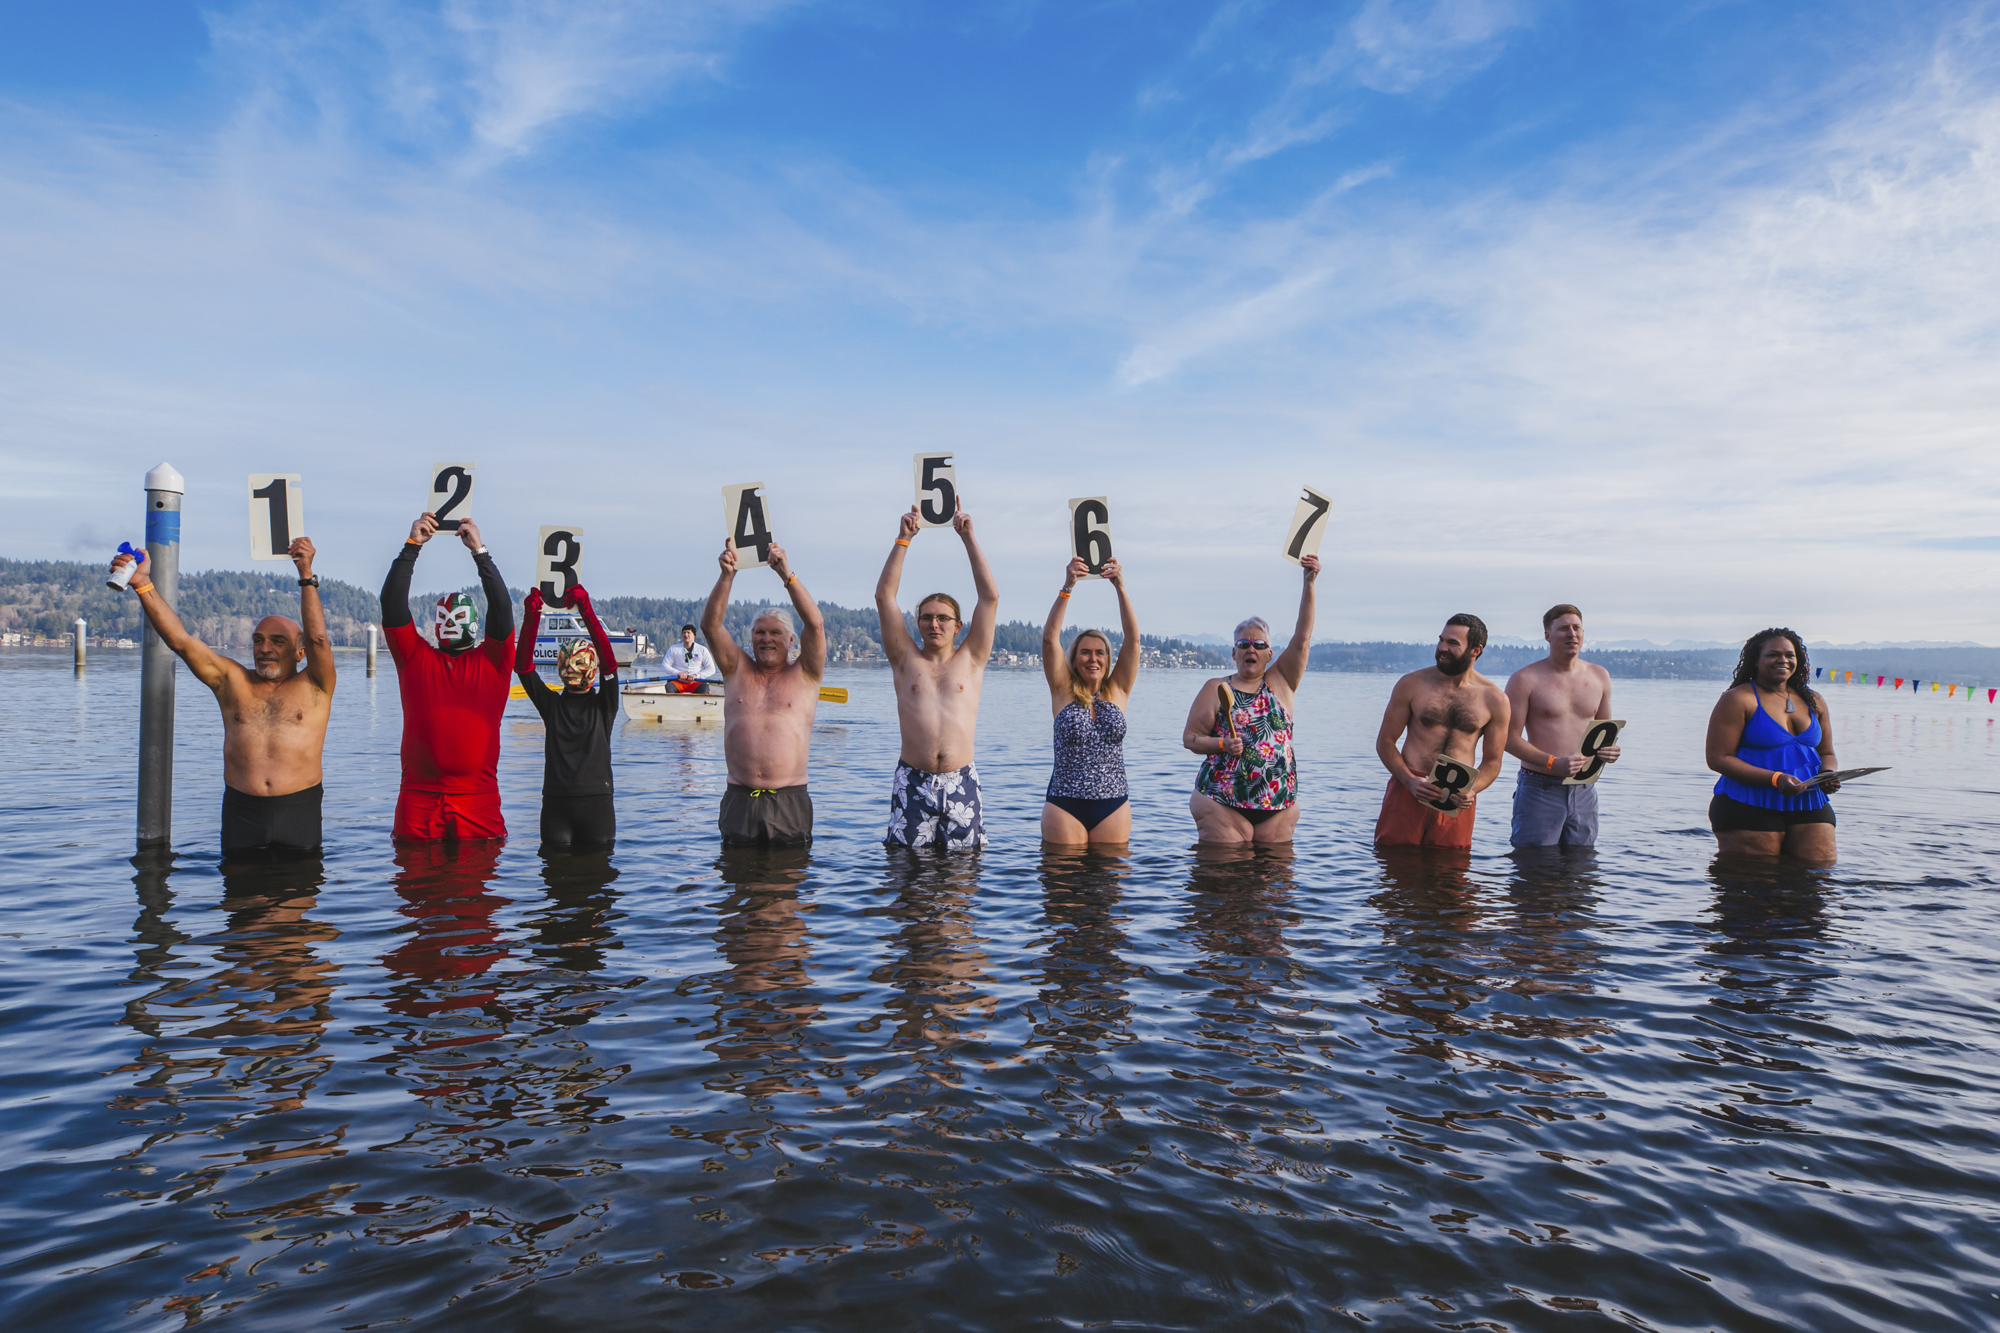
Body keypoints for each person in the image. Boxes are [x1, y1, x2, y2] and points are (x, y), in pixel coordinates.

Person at [112, 537, 333, 857]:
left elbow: (319, 638)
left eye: (277, 641)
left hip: (298, 812)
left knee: (294, 902)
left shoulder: (316, 684)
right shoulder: (232, 681)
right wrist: (143, 584)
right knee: (240, 901)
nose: (265, 649)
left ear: (300, 652)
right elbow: (182, 642)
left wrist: (306, 574)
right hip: (242, 814)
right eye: (258, 641)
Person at [380, 513, 515, 842]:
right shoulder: (418, 658)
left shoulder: (490, 661)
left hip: (470, 801)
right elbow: (392, 605)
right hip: (423, 799)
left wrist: (478, 552)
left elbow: (502, 609)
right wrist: (475, 552)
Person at [875, 500, 999, 851]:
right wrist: (903, 540)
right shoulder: (904, 659)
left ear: (959, 626)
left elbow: (989, 597)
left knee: (964, 876)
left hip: (962, 779)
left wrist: (968, 538)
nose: (934, 623)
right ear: (917, 624)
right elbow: (885, 597)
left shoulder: (972, 659)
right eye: (927, 617)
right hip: (913, 780)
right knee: (905, 874)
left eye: (943, 618)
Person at [1181, 555, 1319, 843]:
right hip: (1221, 801)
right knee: (1226, 880)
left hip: (1277, 805)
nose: (1251, 649)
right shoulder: (1215, 688)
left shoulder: (1281, 682)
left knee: (1274, 885)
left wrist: (1308, 583)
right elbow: (1190, 738)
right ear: (1234, 653)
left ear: (1270, 654)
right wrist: (1221, 744)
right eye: (1243, 644)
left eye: (1259, 644)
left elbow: (1303, 637)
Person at [702, 539, 828, 846]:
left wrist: (786, 574)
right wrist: (727, 576)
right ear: (751, 638)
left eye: (775, 633)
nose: (766, 639)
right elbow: (710, 626)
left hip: (788, 800)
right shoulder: (736, 669)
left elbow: (816, 624)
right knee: (736, 883)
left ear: (790, 640)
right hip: (739, 798)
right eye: (759, 632)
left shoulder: (806, 673)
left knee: (786, 888)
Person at [1705, 627, 1841, 863]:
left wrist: (1827, 773)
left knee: (1818, 879)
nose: (1783, 660)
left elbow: (1827, 752)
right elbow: (1718, 758)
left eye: (1790, 655)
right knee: (1757, 888)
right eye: (1773, 655)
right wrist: (1776, 778)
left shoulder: (1814, 700)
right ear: (1756, 660)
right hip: (1746, 802)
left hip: (1809, 800)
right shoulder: (1738, 699)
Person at [1373, 614, 1510, 848]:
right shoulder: (1412, 684)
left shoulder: (1494, 699)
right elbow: (1385, 742)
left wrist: (1471, 790)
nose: (1442, 648)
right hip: (1408, 791)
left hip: (1456, 799)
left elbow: (1493, 762)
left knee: (1451, 874)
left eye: (1453, 643)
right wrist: (1409, 780)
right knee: (1393, 866)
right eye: (1441, 640)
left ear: (1476, 650)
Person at [1502, 603, 1622, 848]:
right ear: (1547, 635)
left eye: (1577, 628)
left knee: (1582, 872)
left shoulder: (1599, 676)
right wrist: (1552, 762)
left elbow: (1604, 735)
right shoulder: (1525, 679)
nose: (1572, 634)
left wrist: (1611, 752)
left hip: (1584, 789)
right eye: (1563, 628)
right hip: (1540, 788)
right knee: (1535, 869)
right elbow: (1507, 739)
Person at [1040, 555, 1141, 845]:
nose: (1093, 658)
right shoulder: (1063, 691)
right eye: (1085, 652)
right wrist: (1068, 586)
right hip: (1064, 804)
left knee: (1109, 889)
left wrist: (1120, 587)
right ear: (1074, 658)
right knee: (1062, 889)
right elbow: (1050, 639)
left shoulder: (1117, 690)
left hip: (1113, 805)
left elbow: (1133, 640)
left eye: (1100, 652)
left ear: (1108, 660)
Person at [516, 583, 620, 848]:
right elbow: (524, 668)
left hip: (578, 803)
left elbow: (609, 661)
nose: (572, 668)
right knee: (577, 880)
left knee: (574, 878)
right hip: (570, 804)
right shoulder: (561, 705)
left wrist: (584, 609)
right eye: (567, 662)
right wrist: (534, 615)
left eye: (579, 662)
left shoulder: (600, 705)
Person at [666, 624, 720, 694]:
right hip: (679, 682)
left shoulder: (702, 650)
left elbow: (711, 669)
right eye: (684, 633)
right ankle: (673, 703)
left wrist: (696, 675)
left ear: (694, 636)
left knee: (704, 687)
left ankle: (701, 703)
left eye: (688, 633)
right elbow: (665, 666)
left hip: (696, 682)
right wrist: (678, 673)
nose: (686, 635)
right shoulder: (673, 649)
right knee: (669, 686)